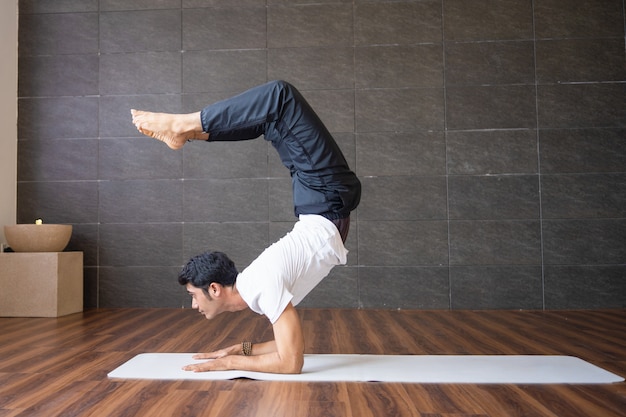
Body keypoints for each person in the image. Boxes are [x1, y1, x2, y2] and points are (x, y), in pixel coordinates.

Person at [131, 80, 361, 374]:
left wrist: (230, 363)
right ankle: (187, 132)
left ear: (213, 288)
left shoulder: (258, 285)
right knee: (273, 116)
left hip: (324, 199)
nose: (193, 305)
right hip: (323, 200)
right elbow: (289, 350)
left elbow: (290, 362)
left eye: (193, 295)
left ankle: (185, 127)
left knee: (279, 99)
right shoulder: (256, 288)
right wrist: (243, 349)